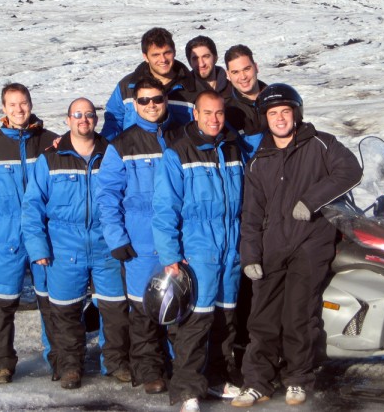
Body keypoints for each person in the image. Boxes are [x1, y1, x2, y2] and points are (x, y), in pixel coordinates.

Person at [231, 84, 363, 408]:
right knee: (261, 320)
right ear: (265, 118)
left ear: (296, 113)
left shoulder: (320, 143)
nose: (279, 119)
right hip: (271, 247)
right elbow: (251, 213)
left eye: (285, 112)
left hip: (310, 245)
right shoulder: (258, 161)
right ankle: (257, 382)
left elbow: (351, 170)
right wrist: (250, 254)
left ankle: (297, 378)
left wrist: (311, 200)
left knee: (299, 317)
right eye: (273, 113)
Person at [21, 98, 130, 390]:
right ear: (68, 120)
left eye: (89, 115)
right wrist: (38, 248)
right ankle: (70, 366)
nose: (84, 120)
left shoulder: (112, 153)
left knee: (115, 309)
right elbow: (32, 207)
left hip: (106, 244)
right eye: (78, 115)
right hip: (64, 248)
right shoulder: (50, 158)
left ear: (96, 119)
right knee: (66, 312)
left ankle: (116, 362)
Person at [152, 90, 244, 412]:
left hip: (230, 251)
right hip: (198, 251)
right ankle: (187, 390)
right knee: (195, 324)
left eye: (219, 113)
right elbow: (165, 209)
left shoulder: (234, 148)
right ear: (195, 113)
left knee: (225, 320)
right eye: (207, 113)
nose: (214, 119)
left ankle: (217, 379)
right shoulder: (178, 153)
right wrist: (170, 255)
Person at [97, 77, 183, 395]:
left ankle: (180, 368)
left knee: (180, 307)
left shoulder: (181, 137)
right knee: (144, 311)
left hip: (176, 241)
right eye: (144, 101)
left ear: (165, 101)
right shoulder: (122, 145)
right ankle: (149, 370)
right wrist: (117, 238)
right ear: (134, 105)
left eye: (156, 99)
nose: (151, 106)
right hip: (140, 244)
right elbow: (107, 195)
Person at [0, 82, 59, 384]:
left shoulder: (50, 142)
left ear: (31, 104)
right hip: (5, 238)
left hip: (42, 234)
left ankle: (58, 359)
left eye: (23, 103)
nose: (19, 109)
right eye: (12, 104)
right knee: (2, 302)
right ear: (3, 109)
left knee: (50, 300)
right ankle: (0, 362)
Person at [101, 27, 205, 141]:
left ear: (174, 52)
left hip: (179, 155)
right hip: (134, 155)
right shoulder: (127, 86)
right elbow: (113, 122)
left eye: (167, 53)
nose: (163, 59)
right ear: (145, 57)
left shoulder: (194, 89)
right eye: (156, 55)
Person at [222, 44, 267, 160]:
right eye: (235, 72)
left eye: (246, 69)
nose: (243, 77)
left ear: (256, 67)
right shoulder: (226, 112)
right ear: (228, 75)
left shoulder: (277, 100)